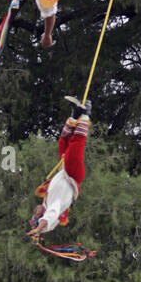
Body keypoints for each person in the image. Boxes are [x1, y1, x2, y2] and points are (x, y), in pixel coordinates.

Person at [28, 97, 92, 238]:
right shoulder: (53, 207)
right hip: (72, 175)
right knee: (75, 145)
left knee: (63, 143)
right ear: (42, 216)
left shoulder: (47, 200)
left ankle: (75, 114)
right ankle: (86, 114)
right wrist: (39, 228)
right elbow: (50, 217)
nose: (35, 211)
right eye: (36, 214)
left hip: (64, 170)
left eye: (34, 213)